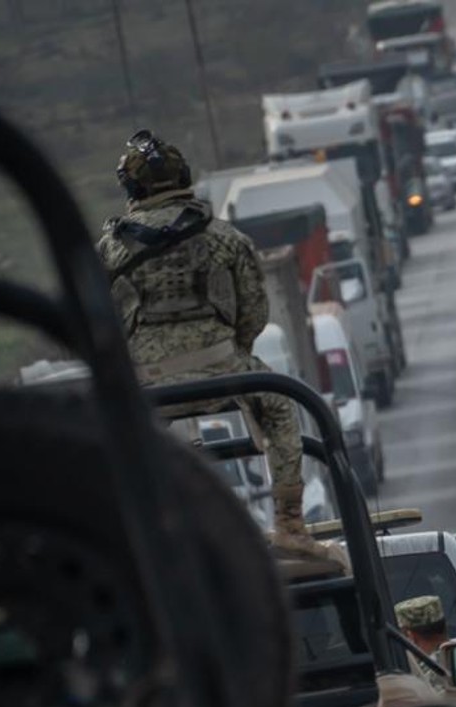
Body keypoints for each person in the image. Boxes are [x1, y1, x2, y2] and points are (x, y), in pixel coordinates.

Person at [96, 129, 318, 559]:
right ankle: (290, 523)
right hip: (223, 370)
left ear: (131, 189)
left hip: (148, 388)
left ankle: (139, 538)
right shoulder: (224, 237)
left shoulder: (109, 248)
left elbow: (97, 327)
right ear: (184, 178)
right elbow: (254, 313)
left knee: (120, 438)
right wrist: (233, 354)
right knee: (279, 406)